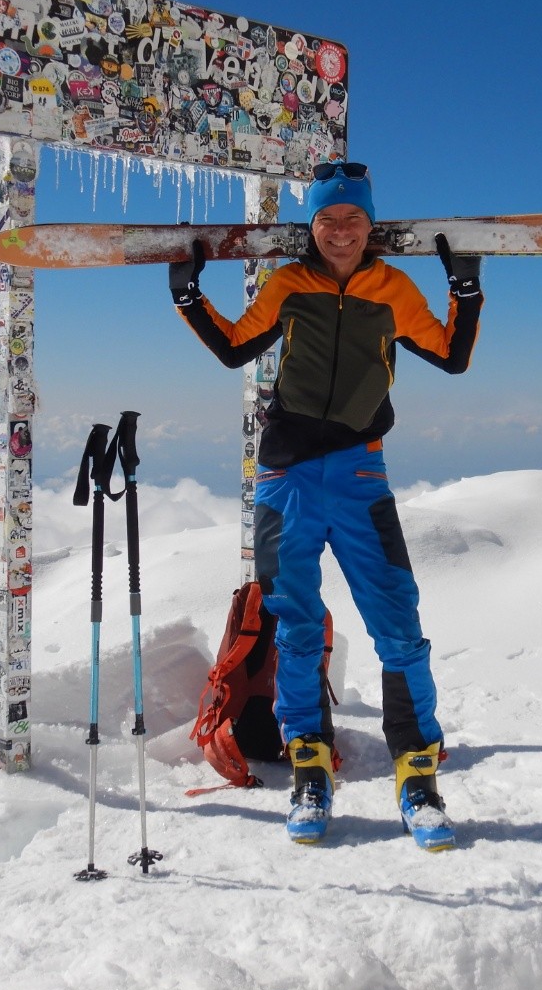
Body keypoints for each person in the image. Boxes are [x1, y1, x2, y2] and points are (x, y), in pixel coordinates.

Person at [169, 161, 482, 850]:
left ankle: (418, 775)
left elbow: (451, 355)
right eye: (328, 220)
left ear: (370, 226)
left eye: (354, 220)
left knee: (398, 623)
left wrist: (465, 288)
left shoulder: (392, 289)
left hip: (359, 473)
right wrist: (190, 299)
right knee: (294, 625)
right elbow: (236, 348)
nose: (341, 231)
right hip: (285, 478)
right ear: (312, 227)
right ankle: (310, 769)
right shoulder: (289, 284)